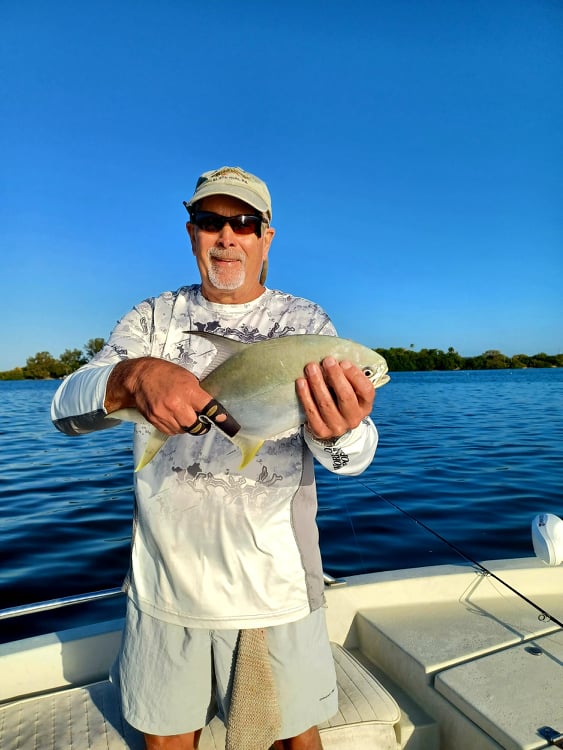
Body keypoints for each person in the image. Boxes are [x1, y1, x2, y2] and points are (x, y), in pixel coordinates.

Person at [51, 166, 378, 750]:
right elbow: (63, 409)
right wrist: (133, 375)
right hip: (165, 588)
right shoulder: (153, 320)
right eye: (210, 221)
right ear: (191, 232)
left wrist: (341, 432)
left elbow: (352, 460)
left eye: (244, 222)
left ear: (266, 237)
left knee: (292, 742)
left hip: (275, 590)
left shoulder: (303, 324)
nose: (228, 236)